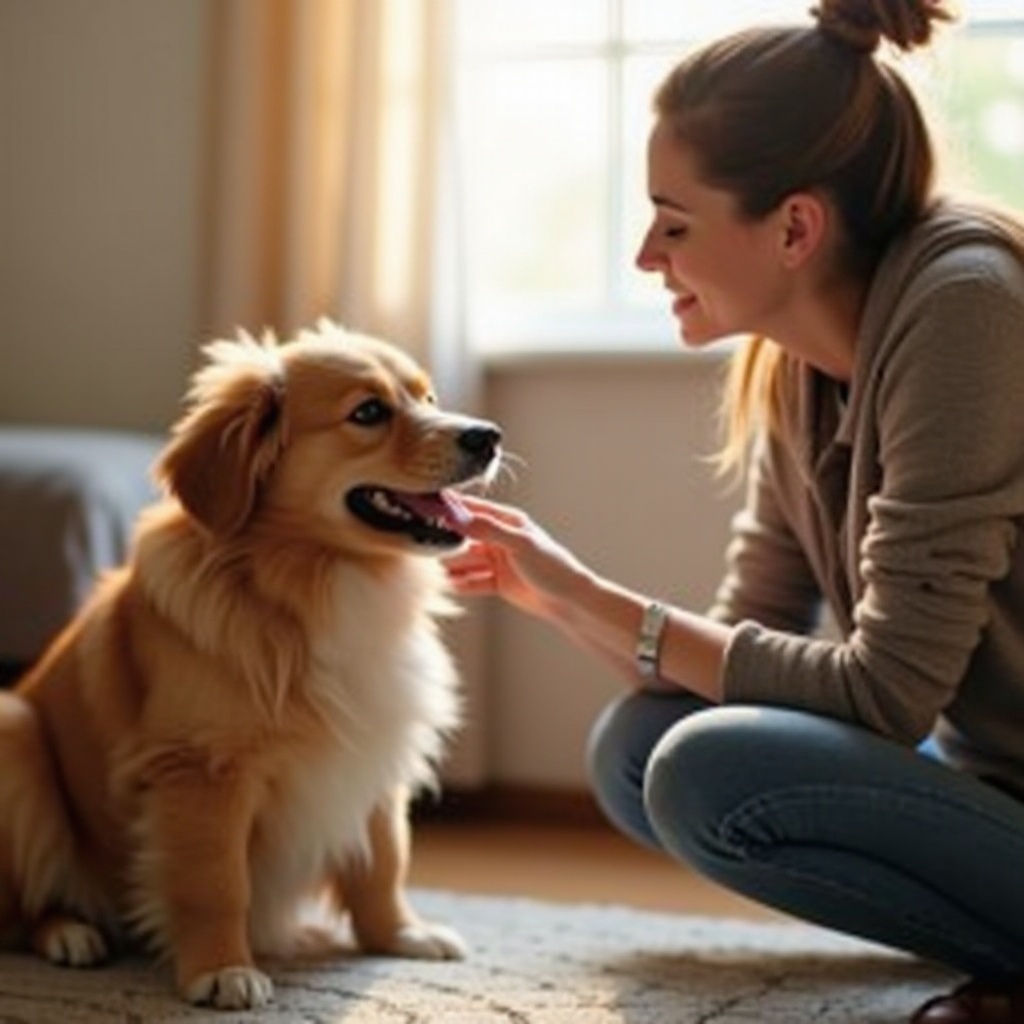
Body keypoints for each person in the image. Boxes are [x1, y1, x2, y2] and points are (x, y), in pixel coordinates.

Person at [443, 1, 1024, 1022]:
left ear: (795, 226)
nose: (643, 257)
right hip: (994, 769)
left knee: (708, 772)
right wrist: (565, 599)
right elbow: (743, 648)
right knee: (642, 747)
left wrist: (596, 595)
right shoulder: (791, 367)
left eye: (673, 223)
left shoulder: (965, 306)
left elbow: (886, 692)